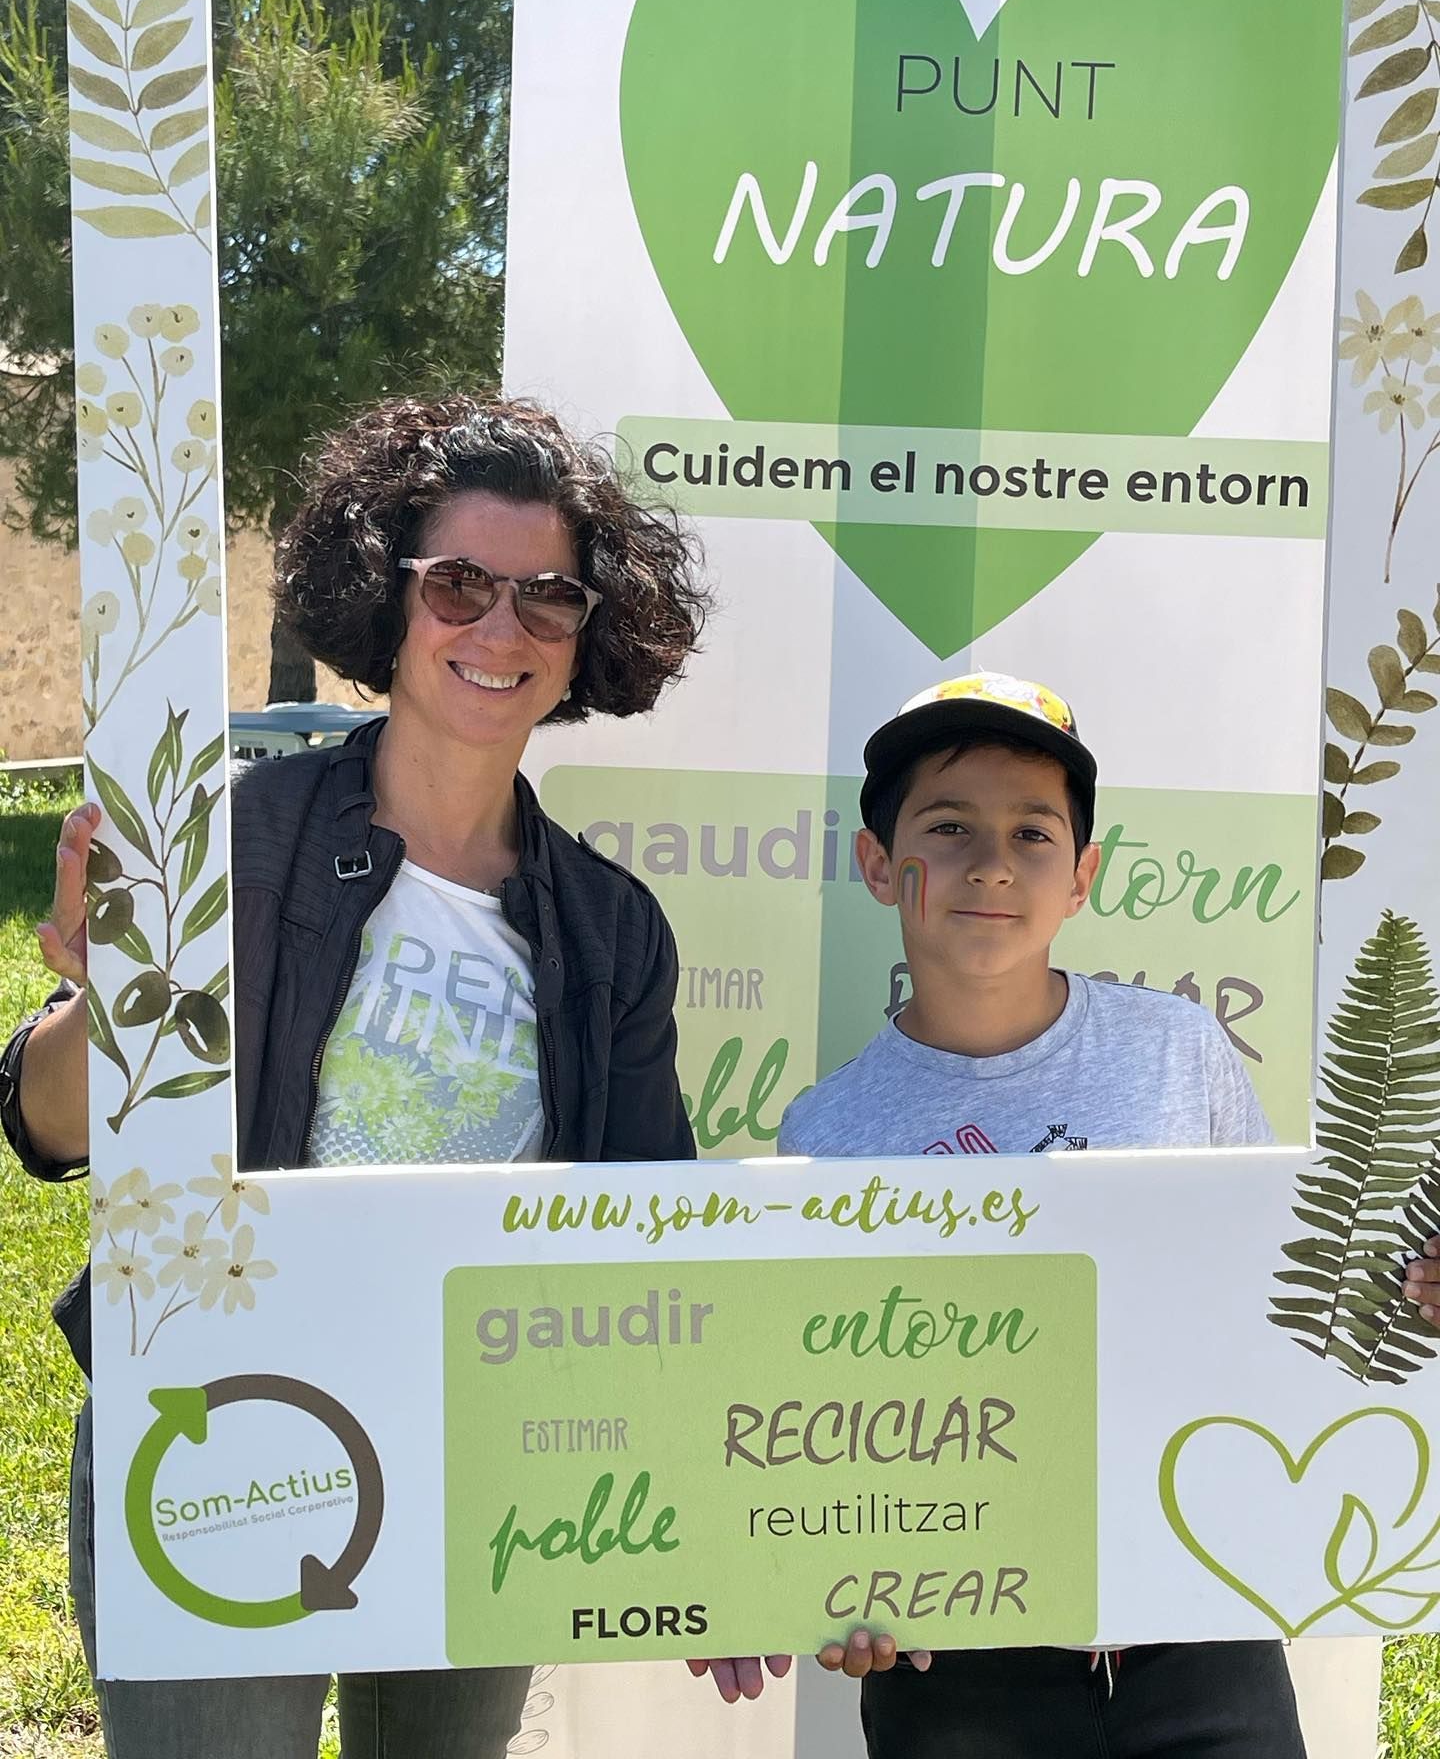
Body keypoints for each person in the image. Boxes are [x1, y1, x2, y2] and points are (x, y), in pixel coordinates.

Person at [0, 395, 709, 1759]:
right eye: (459, 584)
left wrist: (698, 1534)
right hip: (221, 1435)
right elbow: (47, 1125)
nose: (500, 629)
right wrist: (111, 1005)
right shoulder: (230, 839)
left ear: (588, 635)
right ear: (386, 599)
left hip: (482, 1456)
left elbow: (646, 1236)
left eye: (548, 598)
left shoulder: (612, 931)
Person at [692, 669, 1321, 1756]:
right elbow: (823, 1419)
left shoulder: (1180, 1051)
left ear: (1082, 877)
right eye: (947, 827)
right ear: (879, 864)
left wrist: (1398, 1297)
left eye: (1034, 833)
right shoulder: (826, 1134)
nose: (991, 863)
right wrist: (824, 1580)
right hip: (959, 1671)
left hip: (1204, 1635)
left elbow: (1274, 1304)